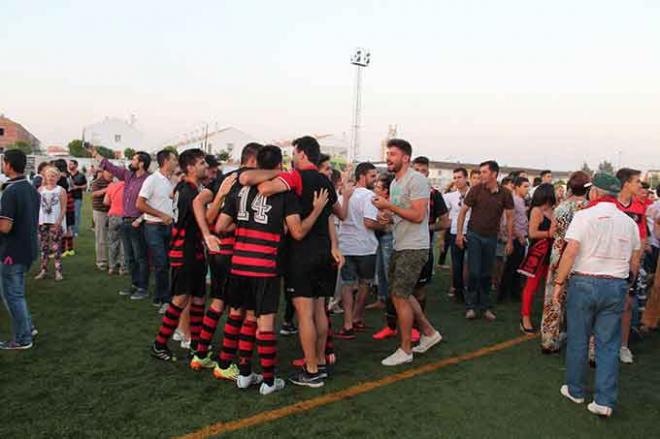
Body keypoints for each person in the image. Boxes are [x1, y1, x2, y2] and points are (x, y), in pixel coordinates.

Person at [216, 145, 329, 395]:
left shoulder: (240, 190)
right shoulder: (284, 193)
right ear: (278, 165)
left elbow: (221, 226)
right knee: (265, 324)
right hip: (264, 266)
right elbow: (298, 232)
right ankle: (268, 381)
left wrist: (247, 225)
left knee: (246, 318)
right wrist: (317, 210)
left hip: (239, 265)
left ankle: (244, 374)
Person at [239, 136, 346, 388]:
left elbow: (265, 189)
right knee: (320, 310)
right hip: (324, 253)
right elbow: (339, 214)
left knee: (305, 314)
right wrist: (334, 245)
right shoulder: (326, 181)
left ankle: (310, 371)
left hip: (302, 254)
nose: (292, 158)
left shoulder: (297, 177)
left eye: (294, 153)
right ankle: (319, 362)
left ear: (301, 154)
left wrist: (272, 175)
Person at [554, 172, 640, 418]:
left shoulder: (583, 216)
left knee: (579, 339)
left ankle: (575, 389)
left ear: (595, 192)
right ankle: (604, 400)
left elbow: (571, 252)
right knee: (608, 344)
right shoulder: (629, 222)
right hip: (615, 285)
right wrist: (628, 284)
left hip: (584, 282)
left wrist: (559, 282)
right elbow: (635, 258)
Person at [190, 143, 260, 377]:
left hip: (218, 252)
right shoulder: (251, 180)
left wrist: (207, 234)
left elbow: (198, 202)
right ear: (252, 161)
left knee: (219, 302)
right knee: (239, 309)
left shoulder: (225, 179)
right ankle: (225, 363)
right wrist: (209, 232)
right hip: (235, 252)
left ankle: (200, 354)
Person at [372, 139, 443, 366]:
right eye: (388, 153)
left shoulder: (417, 179)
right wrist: (387, 216)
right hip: (400, 244)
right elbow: (400, 214)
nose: (388, 157)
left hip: (414, 246)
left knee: (400, 296)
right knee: (400, 293)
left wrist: (389, 207)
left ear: (405, 158)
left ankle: (405, 350)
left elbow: (418, 215)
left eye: (392, 154)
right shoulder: (395, 183)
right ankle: (429, 333)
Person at [150, 149, 208, 362]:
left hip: (195, 251)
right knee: (181, 298)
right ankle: (159, 343)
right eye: (201, 163)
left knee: (199, 297)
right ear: (190, 167)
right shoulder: (188, 192)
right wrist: (218, 198)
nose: (206, 166)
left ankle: (196, 345)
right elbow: (203, 220)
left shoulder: (188, 188)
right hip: (185, 252)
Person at [539, 171, 590, 353]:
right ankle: (584, 346)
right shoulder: (589, 208)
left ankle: (548, 339)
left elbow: (553, 232)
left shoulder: (560, 207)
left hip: (558, 255)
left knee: (553, 298)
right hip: (581, 257)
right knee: (582, 302)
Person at [457, 160, 514, 321]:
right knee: (474, 272)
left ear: (494, 174)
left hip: (492, 237)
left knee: (487, 273)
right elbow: (463, 212)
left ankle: (485, 306)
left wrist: (510, 240)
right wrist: (460, 234)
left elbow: (510, 218)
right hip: (474, 235)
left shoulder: (505, 194)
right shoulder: (475, 190)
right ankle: (471, 306)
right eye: (480, 172)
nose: (480, 175)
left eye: (484, 172)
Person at [94, 148, 152, 300]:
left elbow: (153, 203)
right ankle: (134, 284)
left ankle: (143, 288)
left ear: (141, 163)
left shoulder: (149, 180)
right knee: (130, 257)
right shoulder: (129, 176)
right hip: (125, 221)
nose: (131, 162)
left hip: (139, 223)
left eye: (134, 159)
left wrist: (140, 219)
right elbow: (110, 167)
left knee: (141, 257)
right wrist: (95, 154)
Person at [0, 149, 41, 350]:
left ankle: (23, 338)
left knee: (12, 295)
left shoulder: (11, 191)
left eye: (3, 162)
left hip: (12, 252)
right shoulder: (31, 188)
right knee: (17, 293)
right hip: (28, 248)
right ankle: (28, 327)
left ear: (9, 164)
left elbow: (5, 227)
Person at [335, 162, 380, 340]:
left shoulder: (343, 195)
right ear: (362, 176)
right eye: (372, 176)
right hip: (365, 247)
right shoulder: (369, 196)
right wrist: (384, 225)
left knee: (347, 285)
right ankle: (356, 317)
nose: (375, 180)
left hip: (346, 245)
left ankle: (348, 323)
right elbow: (369, 222)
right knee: (364, 283)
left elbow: (339, 218)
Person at [137, 149, 178, 308]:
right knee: (161, 263)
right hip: (154, 226)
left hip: (169, 226)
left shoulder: (171, 181)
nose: (176, 162)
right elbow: (139, 204)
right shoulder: (152, 180)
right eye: (174, 159)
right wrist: (161, 215)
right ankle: (163, 298)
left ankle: (162, 295)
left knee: (167, 263)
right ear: (166, 161)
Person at [614, 168, 647, 364]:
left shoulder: (639, 208)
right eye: (637, 181)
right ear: (626, 183)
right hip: (610, 264)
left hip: (630, 265)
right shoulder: (611, 205)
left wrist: (635, 260)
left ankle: (623, 346)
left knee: (627, 305)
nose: (640, 186)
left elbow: (642, 238)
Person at [518, 183, 556, 332]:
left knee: (550, 286)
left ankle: (547, 317)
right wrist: (549, 234)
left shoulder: (553, 210)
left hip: (551, 253)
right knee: (531, 286)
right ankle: (525, 317)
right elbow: (532, 233)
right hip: (538, 253)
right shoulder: (536, 210)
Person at [498, 177, 530, 302]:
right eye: (525, 186)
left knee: (517, 266)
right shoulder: (513, 200)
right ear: (517, 187)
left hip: (521, 236)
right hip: (516, 238)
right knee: (511, 267)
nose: (527, 189)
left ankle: (513, 292)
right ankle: (504, 294)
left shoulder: (521, 201)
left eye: (528, 186)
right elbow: (508, 222)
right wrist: (519, 236)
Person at [35, 166, 67, 281]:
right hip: (43, 222)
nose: (50, 178)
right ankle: (43, 270)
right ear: (45, 177)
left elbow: (64, 208)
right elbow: (37, 206)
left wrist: (59, 221)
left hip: (55, 222)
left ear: (57, 177)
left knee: (56, 248)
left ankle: (58, 271)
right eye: (48, 176)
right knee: (44, 247)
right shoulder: (40, 190)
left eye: (53, 176)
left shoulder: (61, 190)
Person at [443, 168, 470, 302]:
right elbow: (445, 216)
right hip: (455, 232)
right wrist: (443, 236)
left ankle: (471, 291)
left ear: (466, 178)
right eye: (454, 177)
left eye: (459, 177)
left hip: (471, 232)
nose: (457, 180)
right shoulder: (450, 196)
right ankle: (458, 292)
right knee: (457, 263)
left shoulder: (474, 194)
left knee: (471, 263)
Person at [91, 170, 113, 271]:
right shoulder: (97, 182)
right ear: (104, 172)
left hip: (113, 212)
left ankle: (114, 260)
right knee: (101, 237)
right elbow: (94, 194)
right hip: (100, 212)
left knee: (113, 238)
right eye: (108, 172)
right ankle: (101, 261)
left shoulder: (114, 182)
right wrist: (107, 189)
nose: (111, 174)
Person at [103, 180, 128, 275]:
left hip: (113, 215)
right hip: (125, 215)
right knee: (124, 244)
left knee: (112, 242)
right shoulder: (128, 186)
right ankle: (123, 268)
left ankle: (112, 267)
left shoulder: (111, 186)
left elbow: (105, 201)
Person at [68, 160, 88, 236]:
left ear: (76, 165)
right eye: (69, 164)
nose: (69, 166)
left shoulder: (81, 175)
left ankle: (75, 231)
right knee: (69, 214)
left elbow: (85, 186)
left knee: (76, 214)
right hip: (68, 197)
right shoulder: (67, 175)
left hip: (77, 197)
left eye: (71, 164)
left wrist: (77, 187)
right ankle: (69, 229)